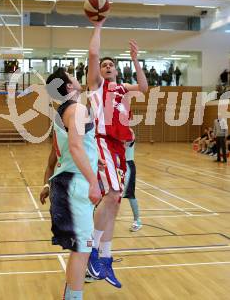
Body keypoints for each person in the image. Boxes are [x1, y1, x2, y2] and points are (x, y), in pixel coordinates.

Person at [87, 19, 148, 288]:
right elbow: (92, 54)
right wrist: (98, 26)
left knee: (115, 203)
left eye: (112, 65)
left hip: (120, 149)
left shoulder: (122, 88)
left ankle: (105, 257)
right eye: (105, 65)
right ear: (100, 71)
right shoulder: (97, 86)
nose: (108, 67)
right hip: (103, 142)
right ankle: (91, 249)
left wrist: (136, 61)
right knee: (111, 195)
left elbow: (144, 88)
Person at [41, 67, 101, 300]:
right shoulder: (76, 109)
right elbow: (75, 147)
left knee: (80, 249)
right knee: (82, 250)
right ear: (68, 86)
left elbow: (64, 150)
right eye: (72, 76)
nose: (77, 78)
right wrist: (94, 181)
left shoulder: (61, 112)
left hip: (67, 184)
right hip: (75, 184)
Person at [123, 133, 142, 232]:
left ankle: (137, 220)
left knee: (130, 194)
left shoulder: (129, 132)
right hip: (114, 163)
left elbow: (123, 146)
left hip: (127, 165)